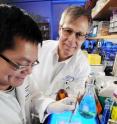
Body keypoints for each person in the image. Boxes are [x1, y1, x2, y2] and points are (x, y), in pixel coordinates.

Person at [0, 4, 76, 124]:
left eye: (33, 63)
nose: (29, 71)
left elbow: (34, 96)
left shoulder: (20, 76)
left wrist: (51, 106)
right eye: (22, 63)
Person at [30, 6, 92, 123]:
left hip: (53, 118)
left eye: (79, 34)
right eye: (68, 30)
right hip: (25, 112)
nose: (71, 40)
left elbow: (72, 100)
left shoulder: (83, 67)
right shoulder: (39, 49)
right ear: (59, 29)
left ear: (84, 38)